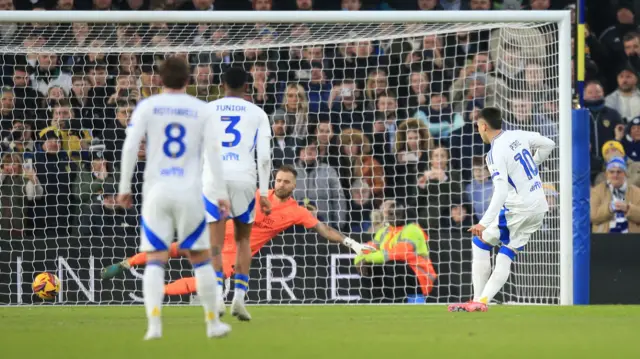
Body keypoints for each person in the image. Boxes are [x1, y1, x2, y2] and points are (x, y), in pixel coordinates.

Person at [102, 165, 373, 308]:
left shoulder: (297, 212)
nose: (280, 184)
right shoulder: (258, 194)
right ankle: (127, 263)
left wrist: (353, 243)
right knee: (172, 250)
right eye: (278, 180)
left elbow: (324, 230)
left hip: (236, 251)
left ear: (294, 185)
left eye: (286, 182)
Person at [116, 56, 231, 340]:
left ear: (158, 80)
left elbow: (130, 146)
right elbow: (213, 154)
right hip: (190, 192)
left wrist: (123, 187)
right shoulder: (201, 109)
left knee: (155, 258)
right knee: (201, 258)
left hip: (156, 191)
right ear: (189, 80)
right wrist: (221, 193)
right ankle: (212, 323)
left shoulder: (148, 106)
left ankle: (154, 326)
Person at [447, 107, 555, 313]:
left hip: (518, 207)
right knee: (506, 253)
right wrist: (534, 163)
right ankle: (482, 301)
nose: (479, 131)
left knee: (480, 241)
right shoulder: (518, 135)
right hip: (539, 206)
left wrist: (483, 222)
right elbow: (549, 143)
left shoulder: (494, 153)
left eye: (478, 126)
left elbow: (501, 190)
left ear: (484, 126)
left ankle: (478, 299)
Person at [201, 66, 272, 321]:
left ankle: (218, 297)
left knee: (215, 242)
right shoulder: (258, 113)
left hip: (214, 179)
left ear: (222, 85)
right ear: (247, 87)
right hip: (243, 177)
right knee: (243, 241)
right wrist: (264, 192)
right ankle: (239, 299)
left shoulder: (207, 110)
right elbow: (264, 157)